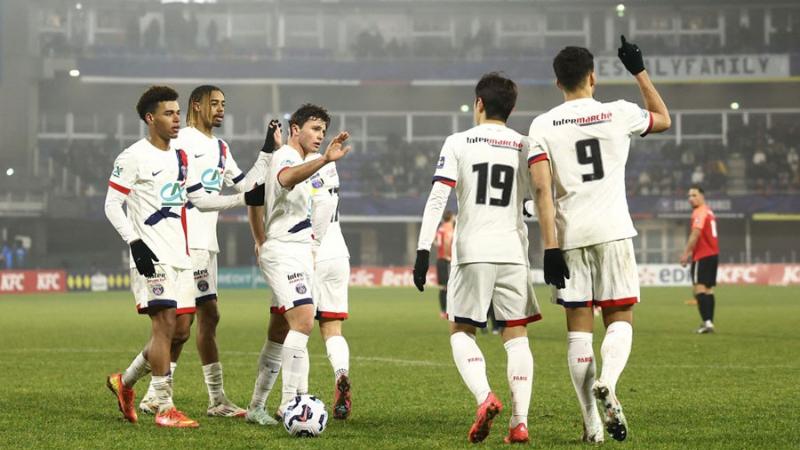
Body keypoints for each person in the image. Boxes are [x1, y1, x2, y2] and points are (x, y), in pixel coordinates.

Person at [412, 72, 567, 444]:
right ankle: (519, 423)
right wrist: (553, 246)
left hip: (472, 252)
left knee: (461, 331)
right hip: (513, 252)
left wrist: (423, 249)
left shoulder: (458, 141)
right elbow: (541, 196)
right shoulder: (526, 144)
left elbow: (438, 197)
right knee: (516, 336)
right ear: (511, 108)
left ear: (479, 103)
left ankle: (485, 397)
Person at [529, 38, 671, 443]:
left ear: (558, 82)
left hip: (569, 238)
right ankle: (608, 379)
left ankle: (592, 425)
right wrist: (638, 71)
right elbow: (663, 119)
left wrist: (550, 247)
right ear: (593, 77)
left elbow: (541, 192)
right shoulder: (618, 112)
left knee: (578, 332)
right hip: (613, 232)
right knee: (619, 319)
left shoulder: (542, 125)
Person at [103, 85, 246, 428]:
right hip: (151, 255)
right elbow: (111, 204)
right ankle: (164, 407)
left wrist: (243, 198)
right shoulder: (132, 156)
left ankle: (125, 381)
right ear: (150, 118)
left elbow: (200, 199)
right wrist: (134, 242)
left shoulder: (180, 157)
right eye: (168, 113)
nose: (176, 119)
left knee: (180, 330)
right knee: (165, 322)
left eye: (178, 112)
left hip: (181, 254)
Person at [137, 85, 274, 417]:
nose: (221, 109)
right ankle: (149, 390)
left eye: (224, 103)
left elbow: (245, 186)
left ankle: (215, 399)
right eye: (214, 103)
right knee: (181, 326)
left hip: (206, 244)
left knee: (208, 316)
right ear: (196, 106)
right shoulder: (180, 140)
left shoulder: (221, 148)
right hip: (183, 242)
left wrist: (268, 151)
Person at [243, 104, 351, 426]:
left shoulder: (295, 157)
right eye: (314, 129)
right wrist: (324, 160)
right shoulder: (287, 157)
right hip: (285, 251)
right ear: (295, 129)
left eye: (323, 131)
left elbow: (255, 199)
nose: (320, 136)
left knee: (280, 329)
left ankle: (256, 406)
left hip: (299, 251)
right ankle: (292, 402)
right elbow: (287, 178)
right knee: (304, 320)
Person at [307, 149, 353, 420]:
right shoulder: (328, 164)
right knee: (333, 329)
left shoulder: (297, 162)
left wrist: (312, 248)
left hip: (311, 251)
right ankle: (341, 373)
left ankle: (293, 398)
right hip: (338, 253)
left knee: (296, 330)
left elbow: (321, 204)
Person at [680, 185, 719, 334]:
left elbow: (696, 233)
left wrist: (686, 253)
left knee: (698, 289)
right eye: (689, 196)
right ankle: (709, 323)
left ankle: (707, 323)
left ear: (702, 196)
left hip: (702, 255)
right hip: (713, 254)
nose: (691, 198)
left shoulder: (699, 212)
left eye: (694, 195)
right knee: (708, 290)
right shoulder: (709, 211)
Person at [434, 211, 455, 319]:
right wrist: (449, 256)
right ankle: (451, 310)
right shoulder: (449, 228)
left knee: (443, 287)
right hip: (447, 260)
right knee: (451, 286)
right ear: (451, 217)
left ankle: (443, 311)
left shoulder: (440, 228)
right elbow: (447, 242)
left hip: (440, 260)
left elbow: (435, 242)